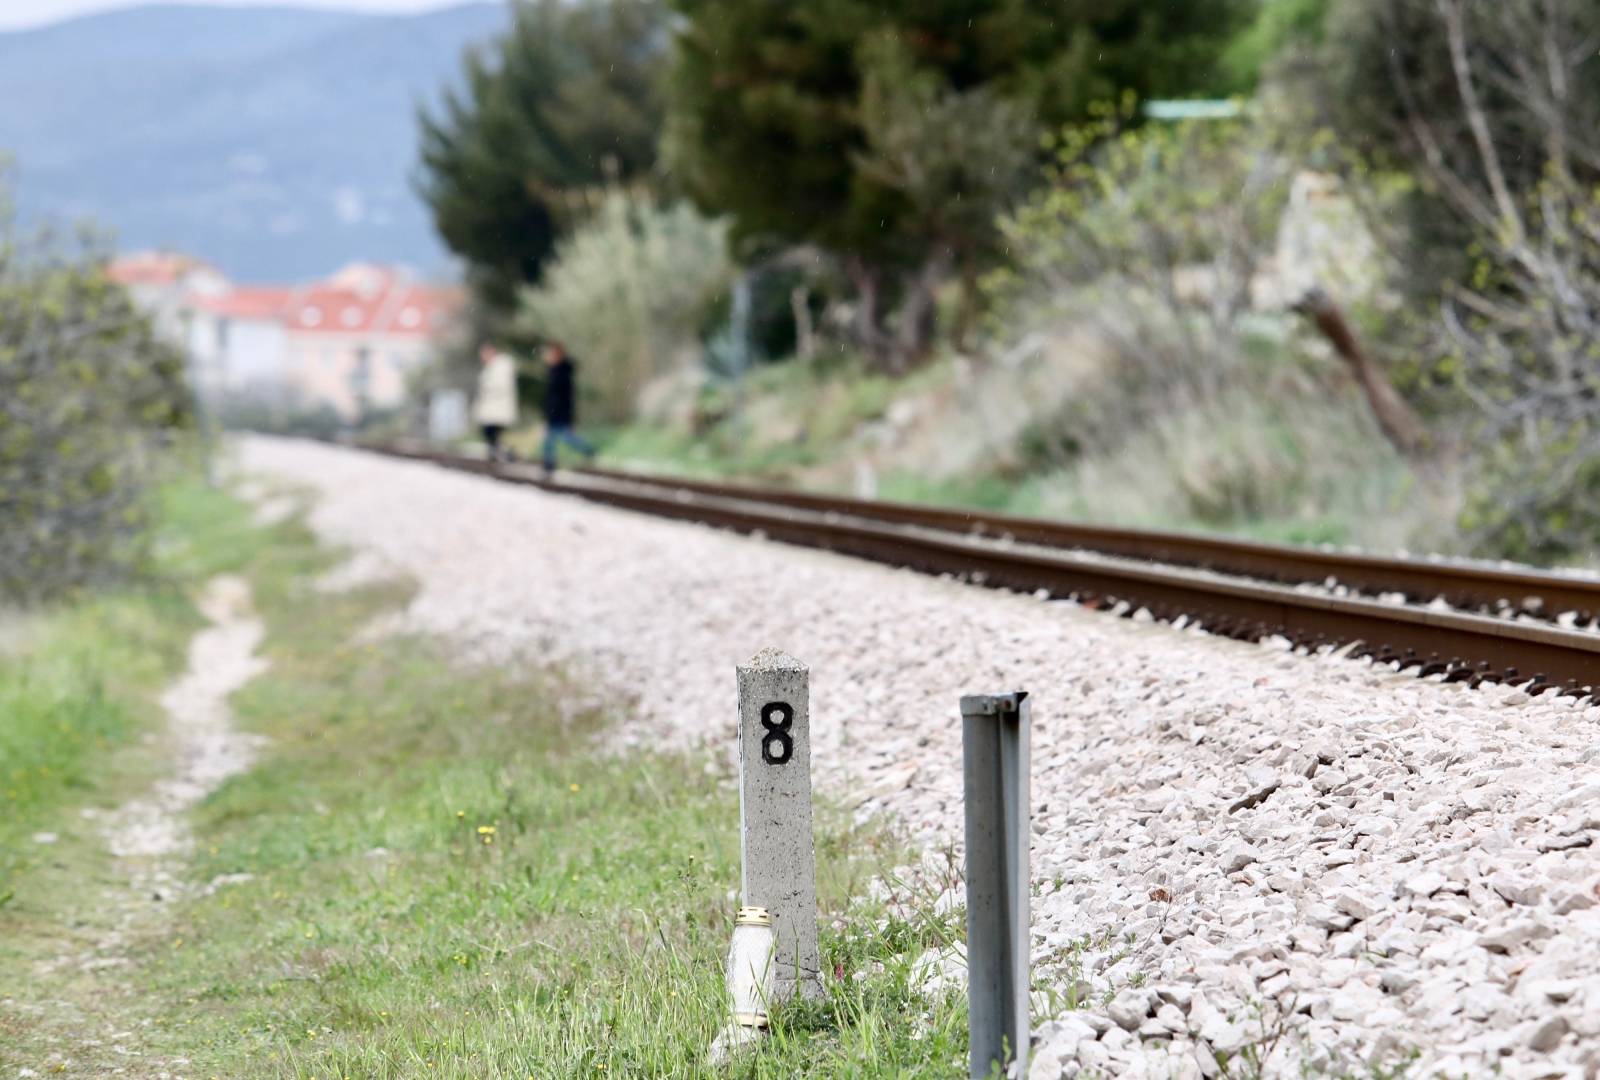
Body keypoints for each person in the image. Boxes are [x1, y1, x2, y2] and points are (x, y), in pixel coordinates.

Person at [541, 341, 595, 471]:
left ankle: (588, 450)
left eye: (551, 354)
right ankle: (549, 465)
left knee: (566, 438)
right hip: (553, 412)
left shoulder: (563, 372)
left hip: (561, 412)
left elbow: (564, 396)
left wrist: (565, 413)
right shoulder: (553, 371)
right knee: (551, 439)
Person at [472, 342, 518, 462]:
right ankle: (500, 455)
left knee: (493, 434)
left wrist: (488, 389)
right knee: (491, 435)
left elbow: (499, 387)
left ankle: (504, 455)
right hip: (491, 409)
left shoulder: (500, 367)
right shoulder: (492, 367)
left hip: (497, 409)